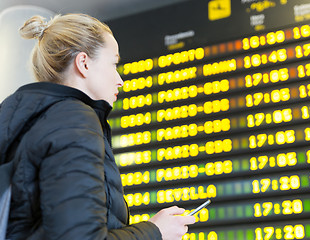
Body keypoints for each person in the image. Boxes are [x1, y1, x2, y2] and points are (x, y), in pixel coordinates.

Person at [0, 13, 195, 240]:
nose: (120, 79)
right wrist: (156, 231)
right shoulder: (74, 119)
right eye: (114, 64)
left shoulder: (18, 121)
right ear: (83, 63)